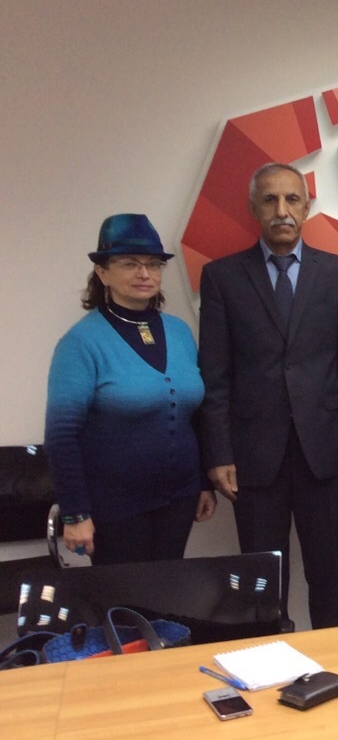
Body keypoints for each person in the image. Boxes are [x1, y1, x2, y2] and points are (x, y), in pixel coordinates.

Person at [199, 162, 338, 628]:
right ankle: (270, 658)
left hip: (326, 453)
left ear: (307, 208)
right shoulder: (222, 277)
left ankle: (333, 658)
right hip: (253, 456)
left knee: (327, 574)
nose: (282, 211)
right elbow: (214, 375)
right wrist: (219, 453)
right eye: (270, 200)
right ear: (253, 208)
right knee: (263, 582)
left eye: (292, 199)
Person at [45, 214, 216, 564]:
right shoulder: (81, 343)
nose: (144, 273)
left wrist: (203, 482)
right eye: (129, 263)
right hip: (114, 507)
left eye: (153, 264)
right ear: (102, 272)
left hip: (180, 498)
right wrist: (75, 514)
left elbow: (194, 417)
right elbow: (62, 435)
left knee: (168, 588)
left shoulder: (180, 332)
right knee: (125, 596)